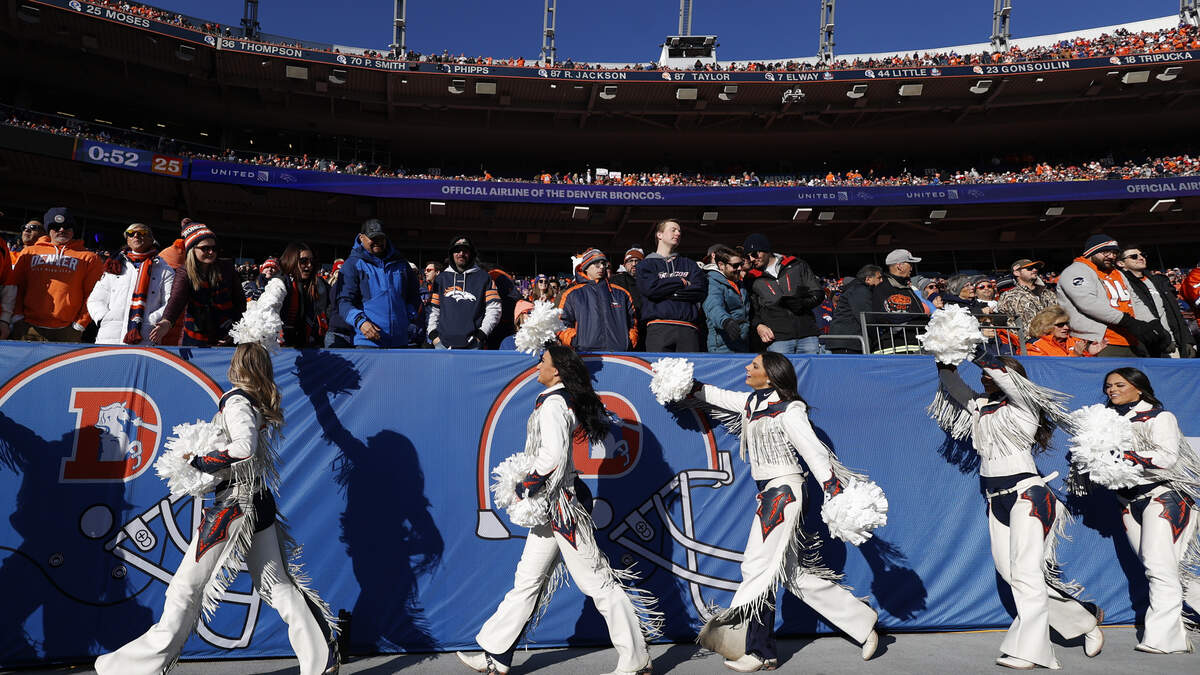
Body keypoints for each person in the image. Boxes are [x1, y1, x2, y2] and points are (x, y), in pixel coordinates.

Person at [94, 343, 340, 675]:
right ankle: (321, 659)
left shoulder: (236, 401)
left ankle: (133, 669)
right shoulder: (254, 399)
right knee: (276, 585)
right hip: (255, 502)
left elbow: (244, 448)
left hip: (235, 508)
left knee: (185, 589)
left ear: (237, 365)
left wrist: (200, 461)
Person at [457, 345, 658, 675]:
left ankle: (636, 659)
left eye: (543, 361)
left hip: (562, 509)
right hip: (553, 508)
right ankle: (496, 654)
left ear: (557, 371)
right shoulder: (557, 400)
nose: (538, 365)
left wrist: (526, 485)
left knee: (598, 582)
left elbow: (552, 457)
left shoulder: (553, 404)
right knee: (527, 581)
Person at [684, 352, 879, 671]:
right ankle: (861, 621)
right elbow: (719, 396)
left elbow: (813, 452)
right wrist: (687, 384)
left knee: (756, 567)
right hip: (770, 494)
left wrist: (832, 489)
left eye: (755, 366)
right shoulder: (752, 403)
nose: (747, 368)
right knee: (789, 573)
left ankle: (758, 650)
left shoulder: (791, 409)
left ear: (771, 375)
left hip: (784, 493)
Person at [930, 352, 1103, 669]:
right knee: (1011, 574)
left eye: (990, 373)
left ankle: (1032, 652)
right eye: (983, 374)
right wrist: (945, 359)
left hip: (1028, 495)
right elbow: (954, 387)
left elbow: (1007, 379)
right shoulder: (981, 406)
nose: (985, 377)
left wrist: (979, 354)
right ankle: (1084, 620)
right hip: (995, 499)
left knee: (1025, 574)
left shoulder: (1025, 403)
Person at [1081, 368, 1199, 654]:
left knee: (1159, 567)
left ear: (1139, 388)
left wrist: (1123, 456)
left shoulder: (1160, 417)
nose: (1111, 390)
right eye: (1108, 386)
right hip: (1128, 502)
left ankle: (1162, 639)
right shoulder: (1104, 421)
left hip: (1164, 495)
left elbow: (1167, 458)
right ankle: (1177, 632)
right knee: (1160, 567)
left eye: (1119, 385)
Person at [1, 207, 104, 342]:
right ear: (48, 229)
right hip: (28, 327)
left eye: (67, 226)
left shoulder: (89, 258)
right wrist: (17, 317)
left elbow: (93, 294)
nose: (61, 229)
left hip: (67, 331)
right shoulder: (29, 252)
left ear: (73, 229)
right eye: (55, 226)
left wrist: (80, 324)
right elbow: (17, 287)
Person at [1057, 234, 1166, 357]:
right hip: (1100, 342)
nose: (1111, 256)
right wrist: (1128, 322)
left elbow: (1135, 300)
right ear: (1091, 252)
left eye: (1114, 253)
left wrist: (1151, 322)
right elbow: (1088, 303)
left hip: (1131, 339)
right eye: (1105, 252)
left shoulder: (1117, 273)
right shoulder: (1076, 271)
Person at [153, 221, 246, 347]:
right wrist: (167, 321)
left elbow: (240, 302)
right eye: (205, 248)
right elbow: (176, 299)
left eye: (214, 248)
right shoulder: (184, 272)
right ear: (192, 249)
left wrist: (237, 330)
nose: (211, 252)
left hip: (227, 331)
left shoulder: (227, 268)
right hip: (196, 334)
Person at [85, 223, 174, 345]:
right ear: (127, 239)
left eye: (142, 233)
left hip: (146, 338)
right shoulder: (115, 265)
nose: (136, 235)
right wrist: (103, 318)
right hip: (109, 337)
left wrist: (152, 320)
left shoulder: (164, 269)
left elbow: (170, 302)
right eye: (131, 233)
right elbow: (96, 299)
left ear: (151, 239)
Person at [337, 219, 420, 349]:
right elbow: (343, 302)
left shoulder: (401, 263)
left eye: (381, 238)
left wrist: (408, 317)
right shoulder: (352, 264)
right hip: (367, 342)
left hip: (400, 341)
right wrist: (360, 322)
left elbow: (414, 295)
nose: (378, 242)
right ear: (361, 237)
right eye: (373, 238)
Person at [741, 233, 825, 354]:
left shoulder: (797, 265)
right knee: (780, 367)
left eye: (754, 254)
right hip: (777, 338)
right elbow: (751, 310)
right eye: (748, 257)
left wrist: (802, 303)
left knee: (811, 365)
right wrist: (758, 325)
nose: (752, 259)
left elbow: (818, 293)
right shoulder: (751, 278)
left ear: (766, 250)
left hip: (807, 334)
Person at [635, 220, 707, 352]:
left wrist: (666, 292)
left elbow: (700, 290)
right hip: (658, 328)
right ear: (659, 235)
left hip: (688, 329)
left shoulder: (689, 264)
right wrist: (681, 282)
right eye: (673, 230)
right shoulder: (645, 265)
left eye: (679, 231)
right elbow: (650, 289)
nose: (678, 233)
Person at [556, 248, 637, 352]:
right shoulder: (572, 294)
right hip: (585, 354)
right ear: (586, 267)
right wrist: (575, 341)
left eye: (603, 263)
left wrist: (629, 341)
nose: (602, 267)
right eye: (597, 264)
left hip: (619, 353)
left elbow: (633, 323)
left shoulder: (621, 293)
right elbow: (561, 324)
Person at [1119, 245, 1194, 358]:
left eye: (1142, 255)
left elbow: (1175, 313)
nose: (1141, 258)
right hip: (1149, 348)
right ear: (1121, 263)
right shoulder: (1123, 285)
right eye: (1134, 256)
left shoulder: (1159, 281)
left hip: (1174, 345)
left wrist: (1187, 340)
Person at [428, 235, 501, 349]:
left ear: (471, 253)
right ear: (451, 254)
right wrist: (434, 337)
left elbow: (494, 308)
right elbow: (433, 310)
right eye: (457, 250)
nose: (461, 253)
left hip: (473, 345)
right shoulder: (441, 279)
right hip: (442, 345)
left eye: (465, 250)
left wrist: (480, 335)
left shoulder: (484, 278)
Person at [868, 249, 928, 354]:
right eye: (909, 264)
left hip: (915, 342)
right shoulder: (883, 287)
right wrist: (917, 318)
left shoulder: (905, 286)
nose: (911, 268)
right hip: (898, 346)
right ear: (900, 266)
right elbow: (885, 316)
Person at [278, 242, 330, 348]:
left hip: (313, 344)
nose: (309, 265)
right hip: (282, 346)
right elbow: (268, 311)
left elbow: (334, 308)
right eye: (303, 261)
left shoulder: (320, 284)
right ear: (291, 261)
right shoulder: (280, 283)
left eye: (312, 261)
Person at [702, 245, 749, 353]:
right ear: (721, 265)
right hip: (723, 345)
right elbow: (713, 306)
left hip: (742, 343)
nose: (739, 268)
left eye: (741, 264)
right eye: (735, 265)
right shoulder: (712, 282)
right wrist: (726, 321)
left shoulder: (738, 283)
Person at [826, 264, 883, 353]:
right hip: (848, 342)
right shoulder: (860, 290)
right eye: (879, 278)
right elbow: (866, 317)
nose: (881, 280)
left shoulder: (857, 289)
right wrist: (877, 337)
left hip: (849, 341)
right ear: (868, 279)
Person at [996, 259, 1057, 334]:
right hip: (1026, 340)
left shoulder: (1048, 293)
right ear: (1016, 272)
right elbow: (1005, 322)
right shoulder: (1008, 296)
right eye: (1029, 268)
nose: (1035, 270)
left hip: (1052, 338)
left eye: (1036, 268)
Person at [1024, 306, 1105, 356]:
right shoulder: (1034, 346)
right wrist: (1075, 355)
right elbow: (1047, 372)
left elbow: (1085, 368)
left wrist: (1091, 354)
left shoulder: (1074, 341)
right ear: (1046, 326)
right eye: (1060, 324)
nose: (1066, 327)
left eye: (1067, 324)